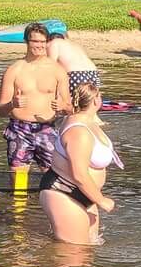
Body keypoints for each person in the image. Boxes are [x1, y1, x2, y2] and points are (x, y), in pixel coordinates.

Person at [37, 82, 119, 247]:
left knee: (88, 250)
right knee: (72, 255)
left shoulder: (87, 121)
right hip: (64, 191)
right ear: (96, 101)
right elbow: (79, 174)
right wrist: (101, 200)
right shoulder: (79, 131)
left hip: (85, 194)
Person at [0, 22, 72, 170]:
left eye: (43, 42)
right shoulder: (14, 70)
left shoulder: (57, 70)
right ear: (26, 41)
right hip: (19, 130)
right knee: (18, 183)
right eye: (35, 41)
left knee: (54, 179)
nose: (39, 46)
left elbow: (71, 110)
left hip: (47, 129)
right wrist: (12, 104)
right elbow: (0, 110)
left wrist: (63, 106)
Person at [47, 31, 102, 106]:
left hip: (76, 74)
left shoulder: (53, 43)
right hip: (94, 74)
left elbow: (50, 68)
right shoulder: (74, 45)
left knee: (72, 105)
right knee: (90, 106)